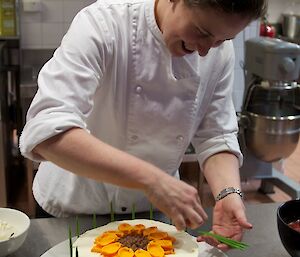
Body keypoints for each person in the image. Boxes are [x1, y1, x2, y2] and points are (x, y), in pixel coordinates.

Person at [19, 0, 267, 251]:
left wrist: (228, 193)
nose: (205, 51)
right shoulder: (103, 24)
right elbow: (48, 130)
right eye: (202, 32)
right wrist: (152, 181)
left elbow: (216, 134)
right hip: (73, 210)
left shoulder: (218, 52)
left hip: (154, 216)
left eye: (221, 40)